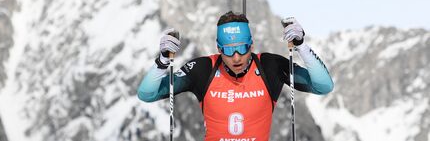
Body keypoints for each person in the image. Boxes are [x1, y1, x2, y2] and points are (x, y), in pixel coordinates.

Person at [137, 11, 333, 141]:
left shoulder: (269, 66)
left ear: (251, 45)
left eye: (242, 48)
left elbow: (323, 86)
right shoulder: (204, 69)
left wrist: (301, 46)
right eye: (229, 51)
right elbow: (147, 94)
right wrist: (163, 61)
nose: (236, 57)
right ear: (218, 48)